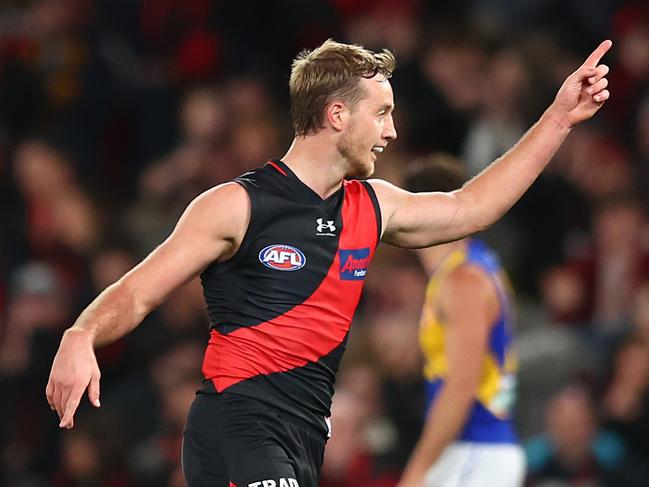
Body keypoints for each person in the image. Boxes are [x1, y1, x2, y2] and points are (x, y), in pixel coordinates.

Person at [46, 37, 612, 487]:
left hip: (304, 437)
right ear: (337, 114)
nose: (392, 130)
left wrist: (558, 119)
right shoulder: (237, 205)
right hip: (240, 422)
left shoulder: (374, 206)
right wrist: (81, 333)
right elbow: (139, 291)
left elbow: (474, 207)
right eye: (382, 113)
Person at [398, 155, 524, 487]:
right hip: (472, 452)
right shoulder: (464, 270)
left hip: (475, 450)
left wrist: (417, 470)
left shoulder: (463, 281)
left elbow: (461, 386)